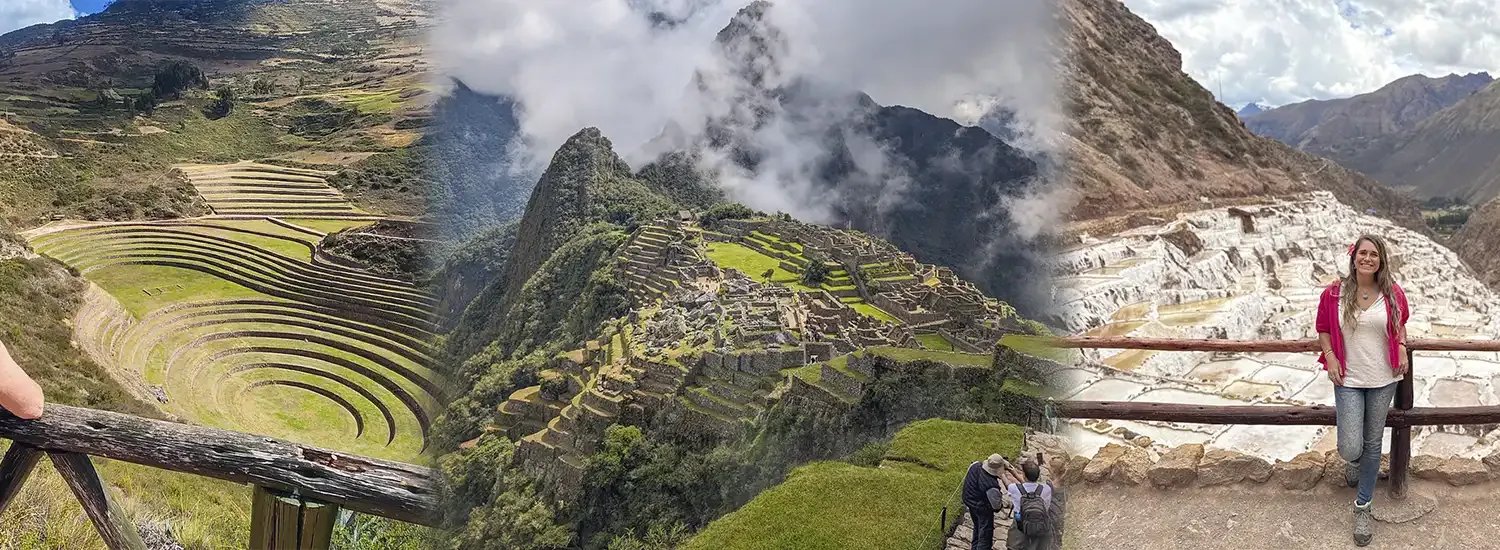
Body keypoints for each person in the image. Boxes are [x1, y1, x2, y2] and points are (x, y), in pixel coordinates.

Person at [1315, 234, 1409, 547]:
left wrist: (1404, 346)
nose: (1367, 259)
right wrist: (1329, 356)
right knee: (1349, 446)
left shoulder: (1392, 293)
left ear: (1381, 261)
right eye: (1362, 253)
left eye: (1374, 255)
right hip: (1349, 379)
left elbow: (1400, 323)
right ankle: (1353, 465)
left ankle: (1363, 506)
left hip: (1384, 378)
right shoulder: (1334, 293)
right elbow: (1323, 329)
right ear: (1354, 257)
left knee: (1372, 442)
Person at [1004, 458, 1053, 550]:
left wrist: (1002, 473)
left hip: (1019, 526)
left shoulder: (1014, 488)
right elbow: (1031, 488)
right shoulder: (1046, 489)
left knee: (1015, 545)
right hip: (1041, 527)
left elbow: (1010, 484)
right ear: (1038, 475)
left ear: (1024, 475)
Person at [961, 454, 1007, 550]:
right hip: (983, 509)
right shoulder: (991, 486)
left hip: (970, 503)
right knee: (985, 536)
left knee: (977, 528)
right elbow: (996, 506)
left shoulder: (975, 465)